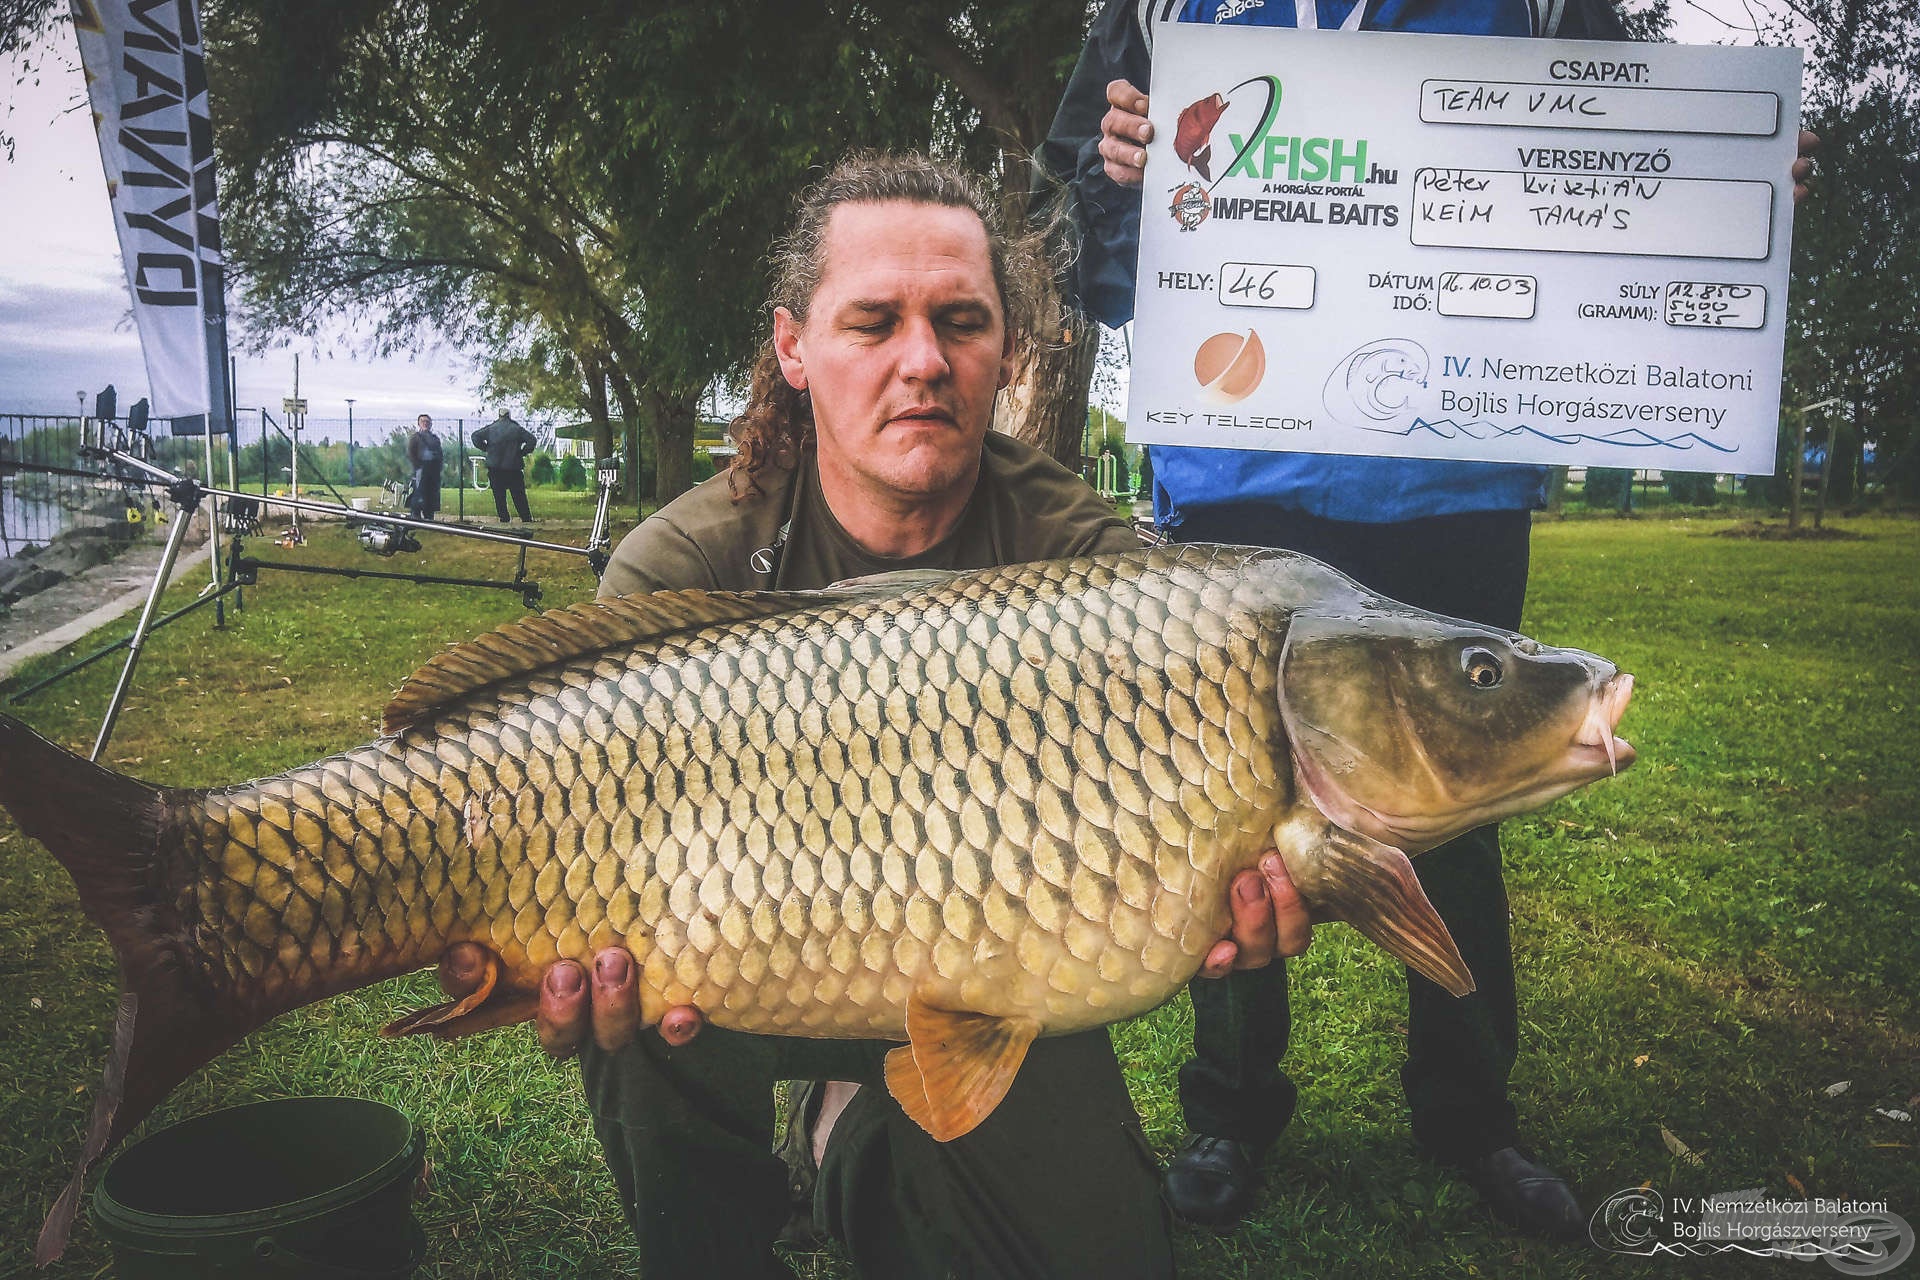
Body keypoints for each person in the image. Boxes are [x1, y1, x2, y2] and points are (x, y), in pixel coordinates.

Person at [438, 151, 1316, 1279]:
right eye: (873, 322)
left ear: (1008, 349)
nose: (924, 361)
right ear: (794, 346)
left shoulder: (1090, 562)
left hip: (996, 961)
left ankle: (846, 1133)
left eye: (962, 320)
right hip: (737, 963)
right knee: (626, 975)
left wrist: (1234, 884)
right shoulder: (686, 563)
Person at [1040, 0, 1818, 1243]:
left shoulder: (1536, 8)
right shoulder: (1154, 10)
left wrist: (1733, 176)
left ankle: (1471, 1116)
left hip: (1447, 482)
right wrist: (1116, 177)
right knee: (1228, 811)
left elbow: (1630, 178)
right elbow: (1101, 273)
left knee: (1463, 795)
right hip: (1236, 482)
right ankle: (1231, 1110)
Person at [472, 409, 536, 522]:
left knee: (499, 496)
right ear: (509, 416)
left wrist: (486, 448)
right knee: (519, 496)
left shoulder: (491, 428)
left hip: (495, 468)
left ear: (499, 416)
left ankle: (504, 518)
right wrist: (522, 452)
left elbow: (475, 436)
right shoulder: (516, 429)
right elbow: (532, 440)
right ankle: (526, 518)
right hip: (513, 467)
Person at [406, 414, 443, 521]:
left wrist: (438, 468)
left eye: (427, 421)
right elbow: (411, 453)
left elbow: (440, 454)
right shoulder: (415, 438)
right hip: (420, 470)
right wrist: (418, 466)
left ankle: (429, 517)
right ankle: (415, 517)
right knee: (419, 493)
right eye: (423, 421)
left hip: (433, 471)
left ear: (431, 424)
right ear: (419, 423)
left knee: (431, 494)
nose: (425, 423)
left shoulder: (435, 439)